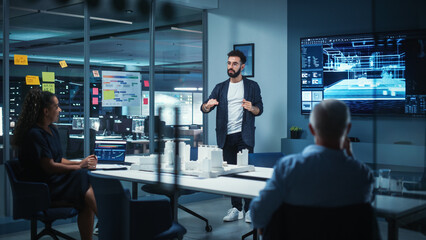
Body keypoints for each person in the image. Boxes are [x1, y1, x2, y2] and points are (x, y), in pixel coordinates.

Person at [250, 99, 374, 232]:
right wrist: (350, 158)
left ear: (311, 128)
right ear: (348, 128)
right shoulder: (363, 174)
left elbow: (258, 214)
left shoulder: (289, 167)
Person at [12, 89, 98, 240]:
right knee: (82, 175)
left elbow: (58, 159)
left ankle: (101, 225)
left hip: (54, 182)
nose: (60, 109)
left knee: (85, 192)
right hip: (42, 188)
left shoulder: (52, 129)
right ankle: (108, 220)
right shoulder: (35, 134)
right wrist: (80, 166)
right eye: (57, 106)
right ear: (46, 111)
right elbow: (49, 166)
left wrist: (81, 162)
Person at [201, 50, 263, 223]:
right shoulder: (220, 87)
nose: (231, 66)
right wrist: (208, 105)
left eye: (235, 64)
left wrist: (252, 108)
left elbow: (259, 109)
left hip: (245, 136)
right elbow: (204, 107)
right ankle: (236, 208)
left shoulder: (252, 86)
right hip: (226, 137)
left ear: (242, 66)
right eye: (229, 63)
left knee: (246, 173)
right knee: (231, 174)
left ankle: (250, 210)